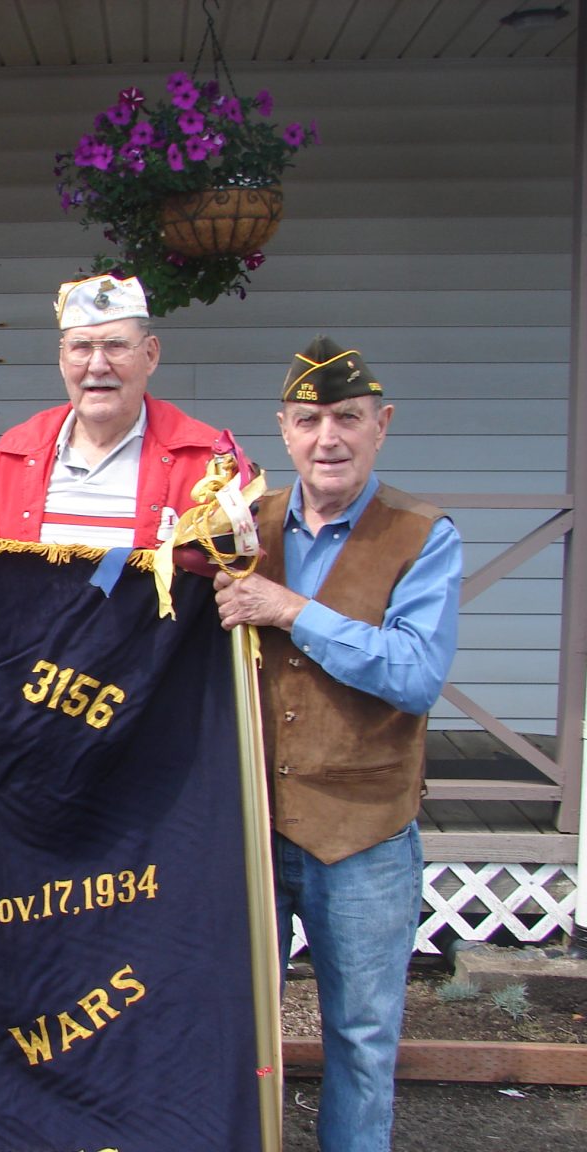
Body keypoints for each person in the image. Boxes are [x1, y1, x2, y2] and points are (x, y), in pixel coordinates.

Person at [214, 336, 462, 1152]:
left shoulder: (422, 535)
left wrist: (291, 610)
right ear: (284, 431)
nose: (330, 438)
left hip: (363, 837)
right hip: (253, 827)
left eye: (348, 419)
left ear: (381, 426)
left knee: (359, 1038)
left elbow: (416, 674)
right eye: (310, 420)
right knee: (240, 1034)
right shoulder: (245, 523)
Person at [0, 273, 218, 548]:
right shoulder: (14, 454)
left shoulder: (208, 460)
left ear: (150, 355)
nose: (98, 366)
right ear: (62, 359)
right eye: (82, 347)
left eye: (116, 346)